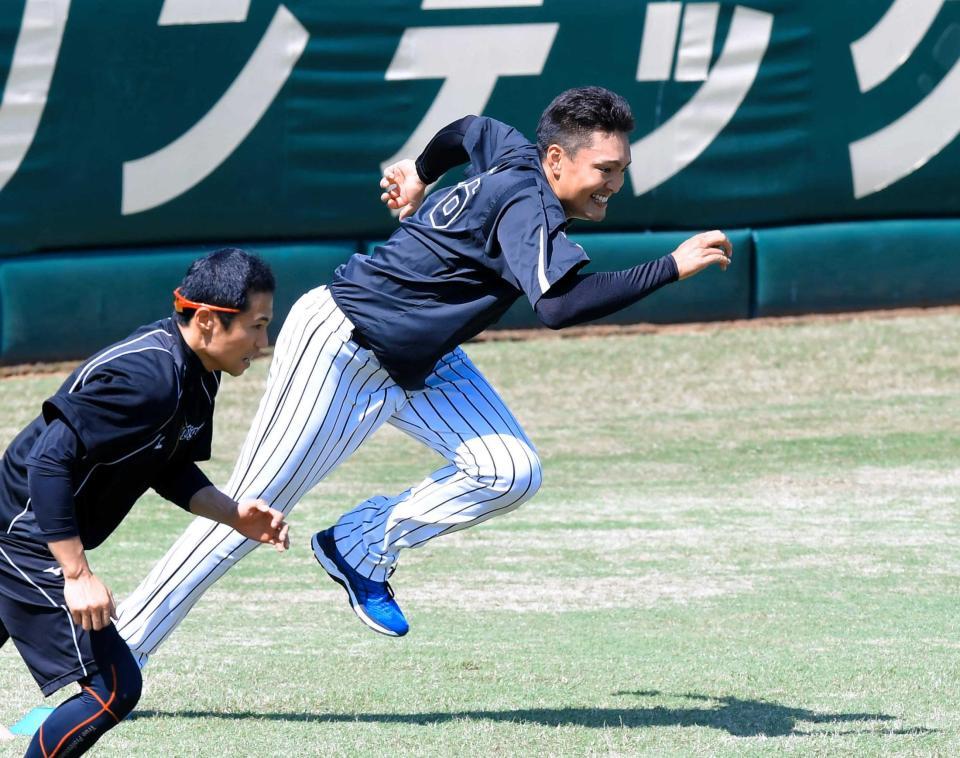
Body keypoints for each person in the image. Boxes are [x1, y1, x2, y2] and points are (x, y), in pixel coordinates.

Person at [114, 86, 731, 652]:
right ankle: (113, 656)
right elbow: (559, 306)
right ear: (555, 162)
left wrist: (419, 172)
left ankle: (357, 544)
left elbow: (470, 127)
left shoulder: (515, 154)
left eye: (621, 170)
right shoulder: (528, 205)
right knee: (246, 516)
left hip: (421, 359)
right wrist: (670, 267)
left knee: (508, 471)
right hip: (340, 348)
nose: (614, 184)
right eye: (605, 170)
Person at [0, 248, 289, 757]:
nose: (264, 343)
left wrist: (232, 513)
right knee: (113, 686)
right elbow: (48, 461)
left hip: (26, 529)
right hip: (20, 536)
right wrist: (76, 574)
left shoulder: (199, 372)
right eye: (257, 325)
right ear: (206, 320)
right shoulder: (149, 377)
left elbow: (166, 464)